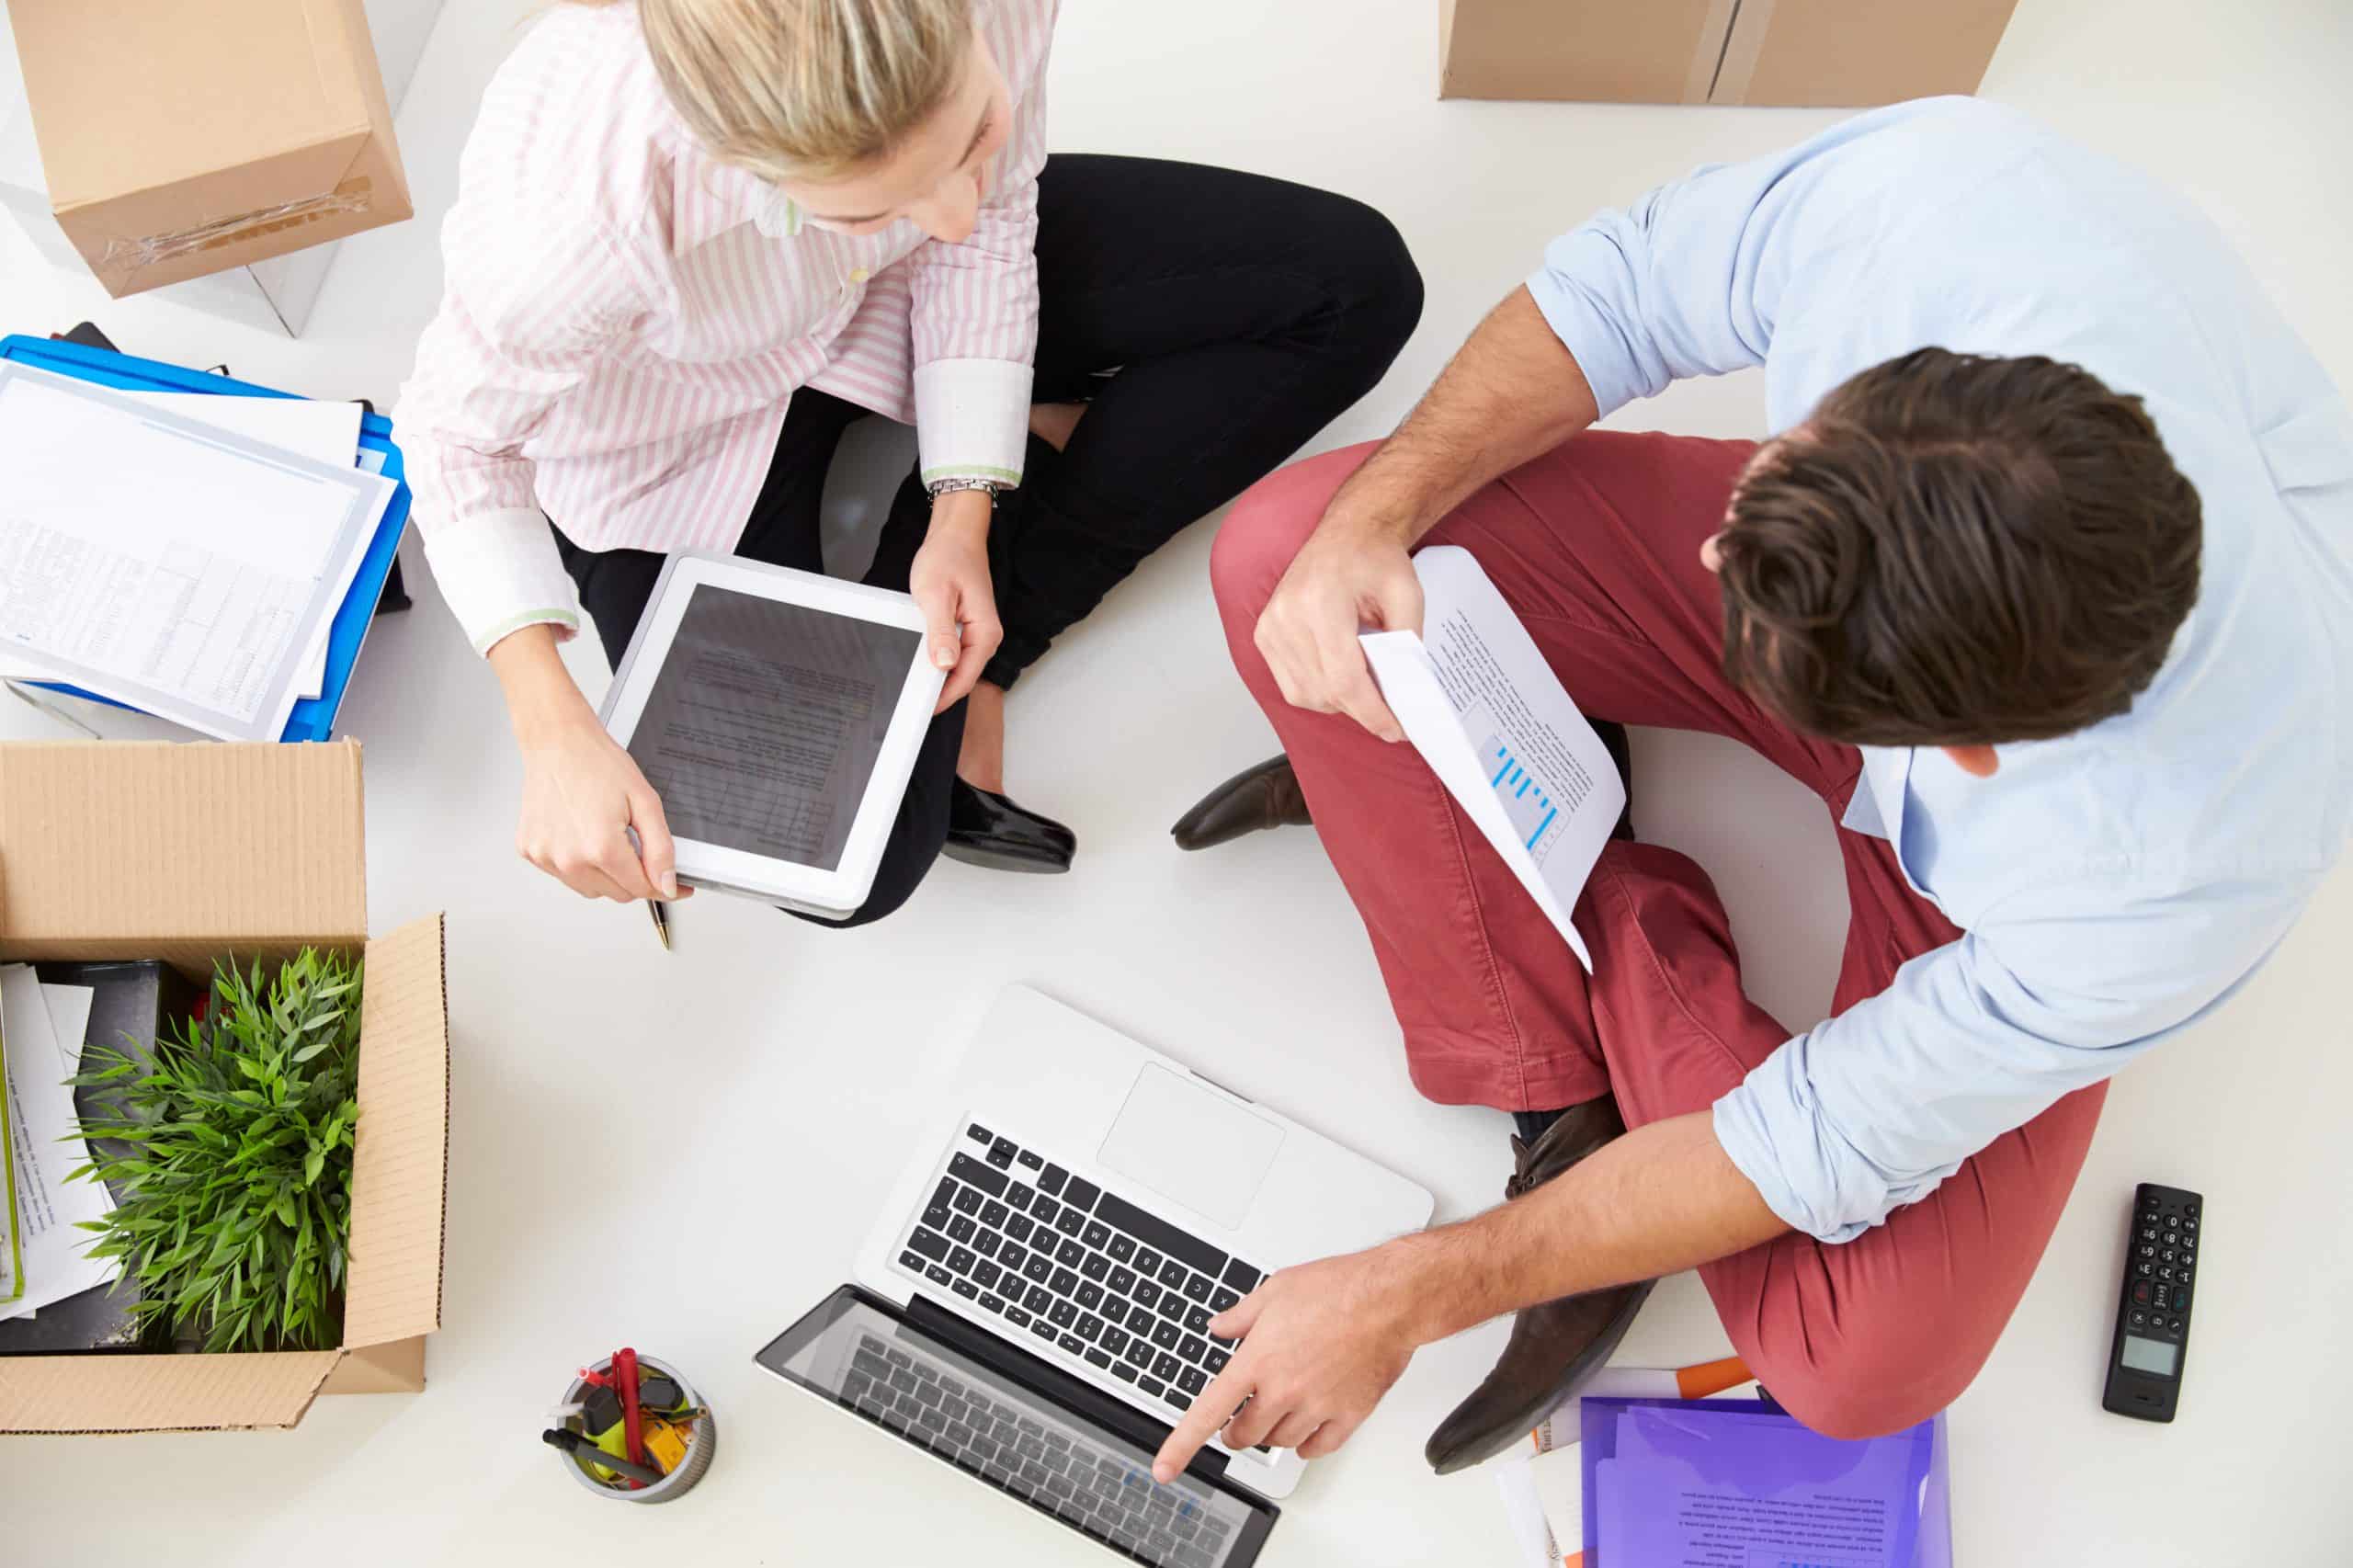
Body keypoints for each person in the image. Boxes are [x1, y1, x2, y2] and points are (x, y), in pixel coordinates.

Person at [1154, 97, 2352, 1483]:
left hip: (2003, 890)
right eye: (1770, 488)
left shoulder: (2172, 877)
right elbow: (1615, 294)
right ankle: (1555, 1070)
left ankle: (1554, 856)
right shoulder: (1944, 211)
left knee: (1863, 1363)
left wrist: (1418, 1286)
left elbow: (1815, 1140)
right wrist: (1374, 521)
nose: (1714, 562)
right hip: (1920, 584)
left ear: (1956, 752)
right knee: (1288, 556)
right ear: (1881, 402)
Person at [397, 0, 1420, 923]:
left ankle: (994, 632)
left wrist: (963, 509)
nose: (954, 211)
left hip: (884, 301)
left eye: (973, 132)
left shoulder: (975, 89)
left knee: (1355, 286)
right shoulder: (578, 214)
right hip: (665, 442)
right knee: (844, 860)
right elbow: (453, 435)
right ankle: (1021, 480)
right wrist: (550, 725)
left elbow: (984, 237)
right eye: (861, 201)